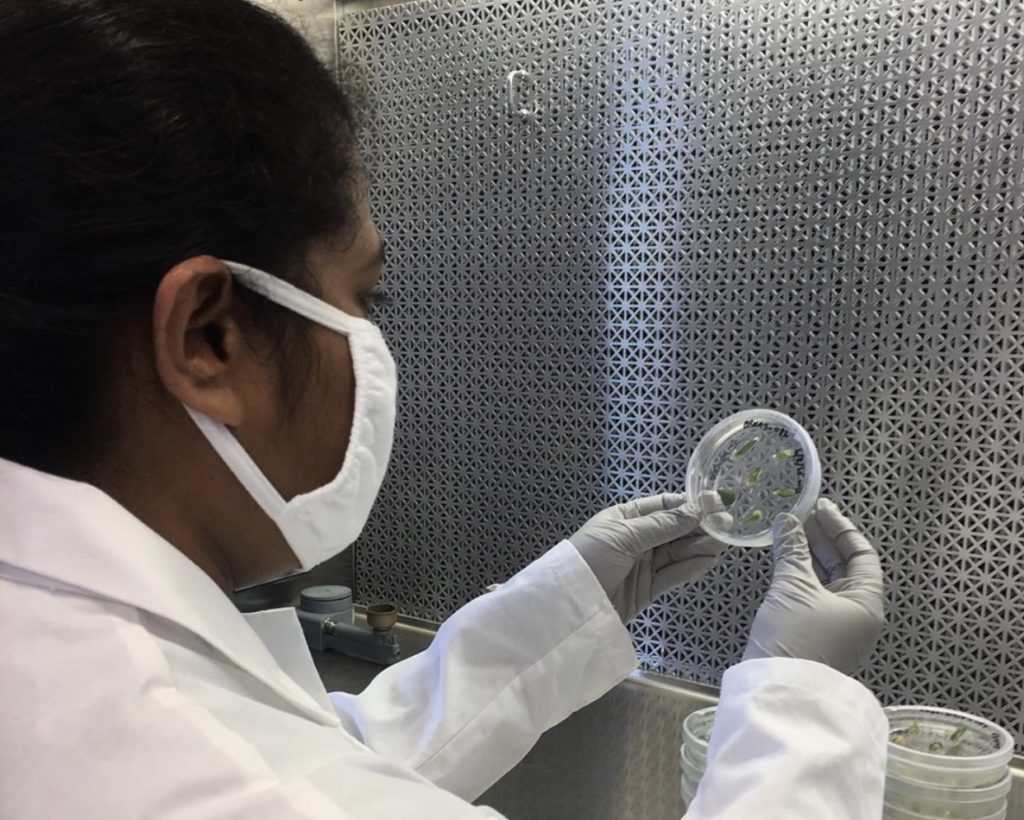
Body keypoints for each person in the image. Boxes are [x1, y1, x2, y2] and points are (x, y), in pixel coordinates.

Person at [0, 2, 886, 818]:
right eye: (364, 296)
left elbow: (330, 767)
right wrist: (800, 705)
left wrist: (562, 607)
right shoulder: (178, 767)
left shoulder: (56, 652)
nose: (371, 344)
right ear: (210, 339)